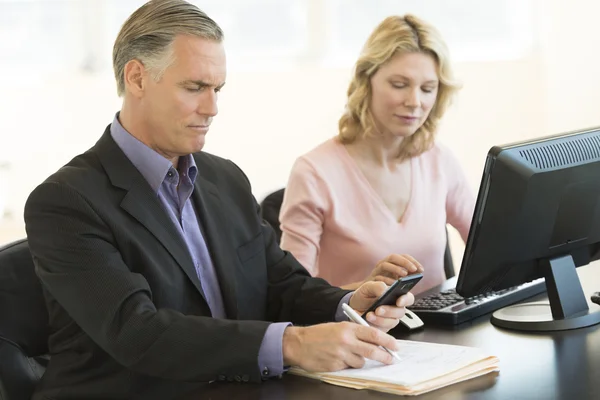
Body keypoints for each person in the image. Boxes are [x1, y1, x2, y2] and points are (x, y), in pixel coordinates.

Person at [23, 1, 418, 399]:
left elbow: (281, 285)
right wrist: (292, 344)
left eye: (217, 89)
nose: (212, 108)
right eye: (194, 88)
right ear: (138, 78)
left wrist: (349, 303)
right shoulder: (65, 202)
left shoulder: (224, 179)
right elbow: (138, 333)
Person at [279, 14, 475, 293]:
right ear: (366, 81)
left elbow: (492, 251)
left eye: (427, 89)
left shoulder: (439, 160)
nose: (414, 102)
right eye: (399, 84)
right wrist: (363, 292)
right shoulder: (314, 172)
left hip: (439, 333)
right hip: (358, 332)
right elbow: (293, 294)